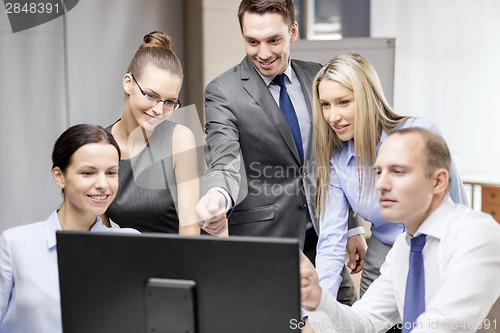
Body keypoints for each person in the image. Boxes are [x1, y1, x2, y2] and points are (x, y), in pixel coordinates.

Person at [195, 0, 363, 305]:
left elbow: (337, 156)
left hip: (327, 239)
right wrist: (217, 196)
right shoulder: (223, 92)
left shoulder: (318, 78)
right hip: (266, 247)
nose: (264, 53)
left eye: (274, 40)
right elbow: (224, 160)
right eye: (252, 41)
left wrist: (351, 226)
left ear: (293, 31)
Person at [300, 127, 500, 332]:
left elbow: (441, 327)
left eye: (398, 171)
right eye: (378, 172)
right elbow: (365, 321)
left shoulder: (476, 235)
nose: (381, 184)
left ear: (438, 181)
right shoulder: (404, 248)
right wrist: (319, 299)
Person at [313, 53, 468, 302]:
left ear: (366, 98)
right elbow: (331, 239)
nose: (332, 116)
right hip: (382, 256)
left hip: (436, 253)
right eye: (325, 105)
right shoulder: (337, 160)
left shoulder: (422, 134)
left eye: (343, 102)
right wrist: (320, 311)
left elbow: (458, 208)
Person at [0, 124, 139, 332]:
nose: (103, 184)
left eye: (111, 172)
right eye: (88, 173)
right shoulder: (16, 244)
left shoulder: (129, 243)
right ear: (59, 176)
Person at [104, 31, 200, 235]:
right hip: (128, 260)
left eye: (170, 102)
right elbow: (100, 232)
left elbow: (190, 228)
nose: (158, 109)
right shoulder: (100, 146)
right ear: (128, 83)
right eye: (151, 95)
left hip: (180, 259)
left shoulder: (179, 139)